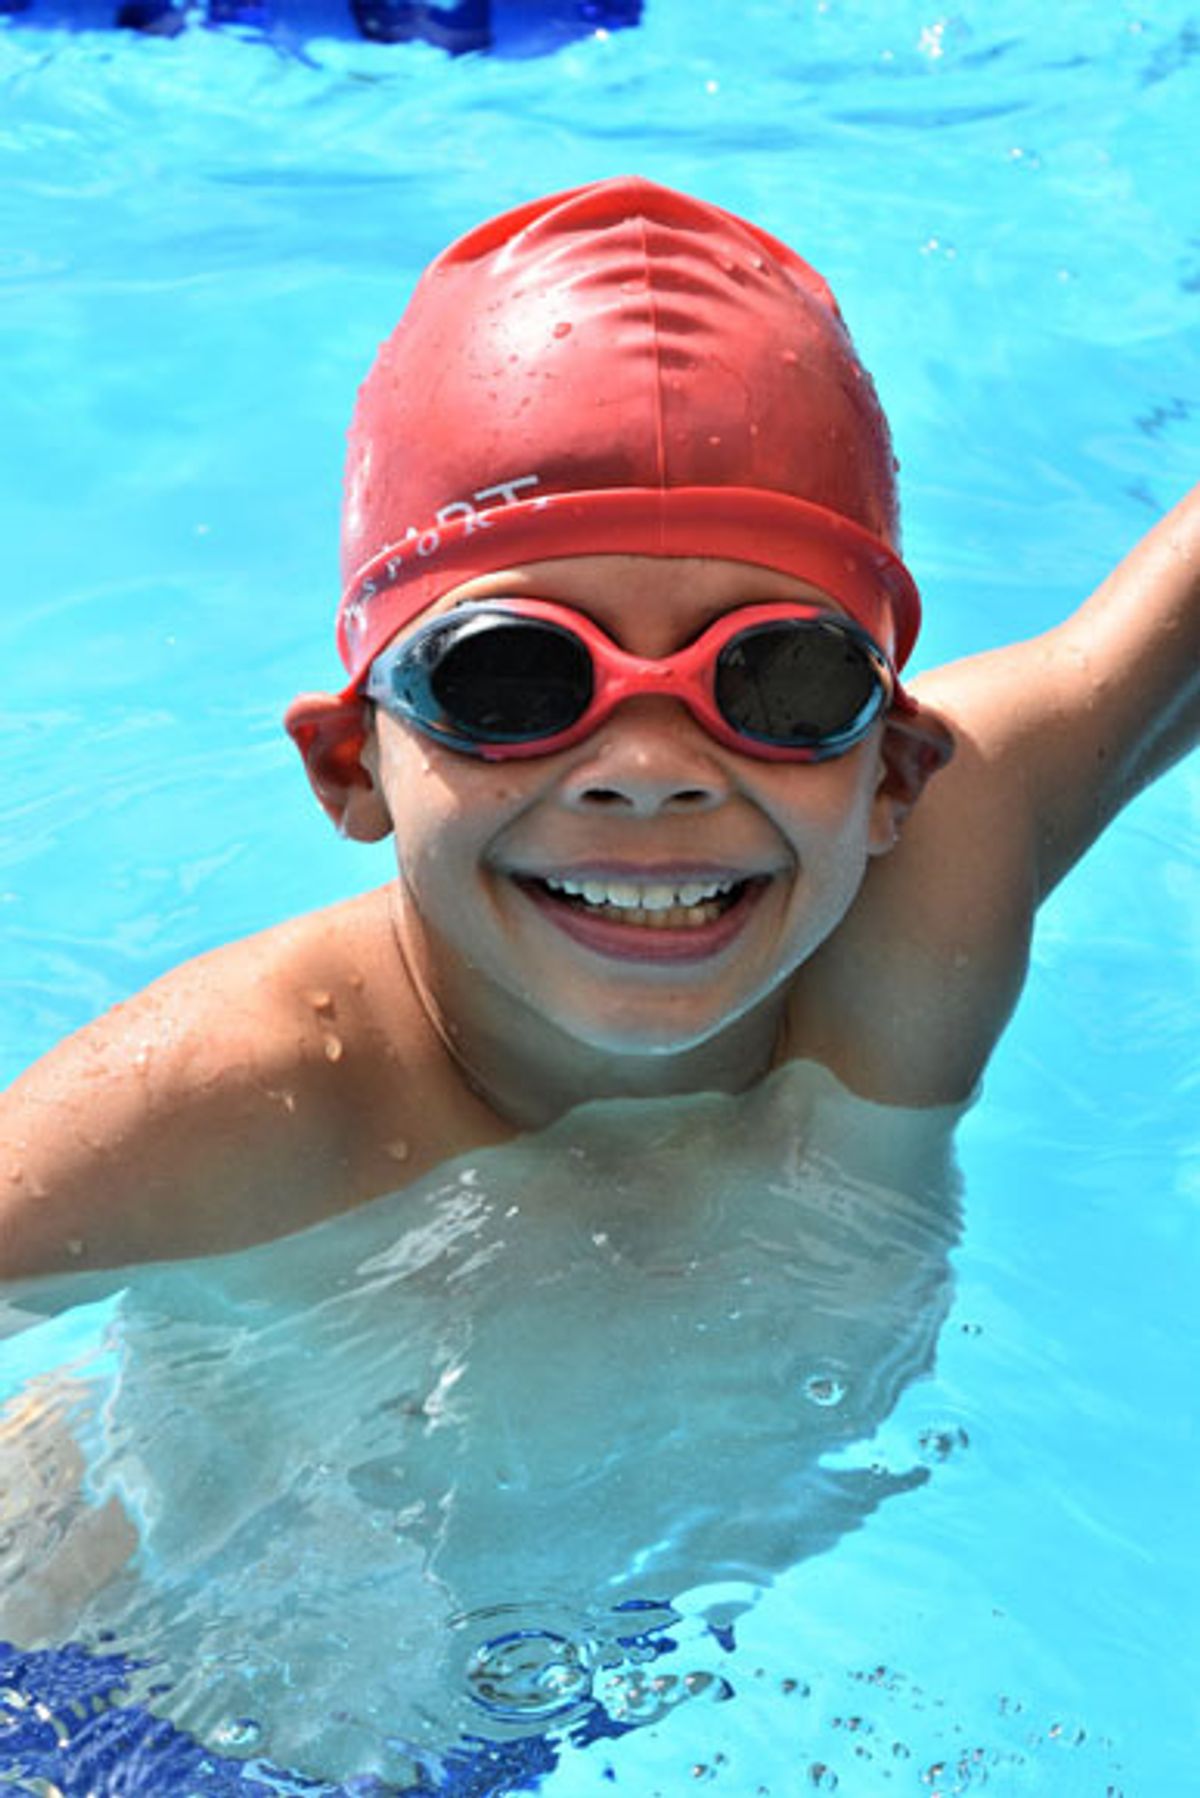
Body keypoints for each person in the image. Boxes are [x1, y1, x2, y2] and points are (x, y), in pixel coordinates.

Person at [2, 175, 1197, 1281]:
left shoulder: (931, 901)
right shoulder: (220, 1108)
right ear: (352, 764)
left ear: (896, 770)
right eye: (512, 678)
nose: (649, 771)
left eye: (780, 678)